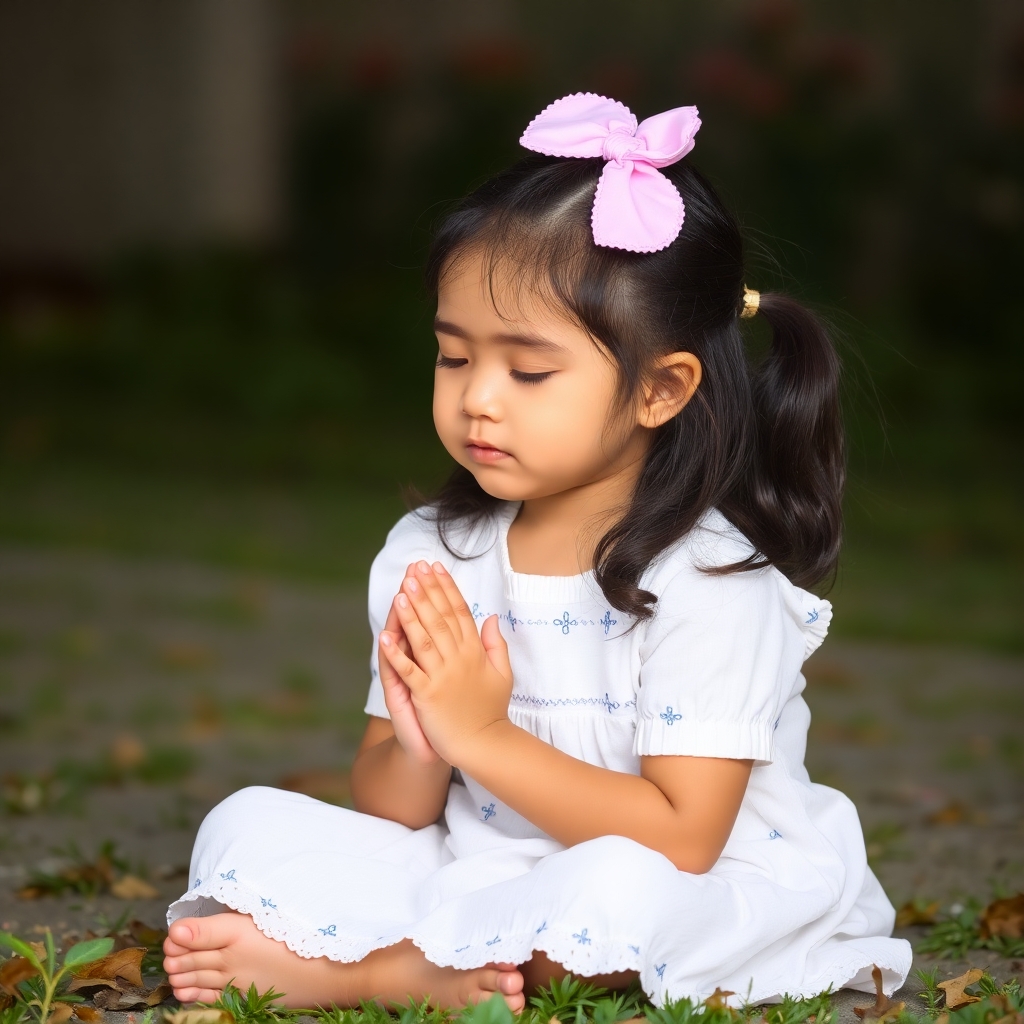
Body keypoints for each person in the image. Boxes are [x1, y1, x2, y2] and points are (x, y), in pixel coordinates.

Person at [162, 93, 911, 1012]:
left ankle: (381, 976)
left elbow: (682, 843)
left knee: (618, 899)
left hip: (683, 881)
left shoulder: (712, 581)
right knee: (247, 823)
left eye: (528, 371)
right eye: (452, 358)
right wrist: (426, 736)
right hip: (485, 864)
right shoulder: (433, 553)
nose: (479, 399)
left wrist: (484, 735)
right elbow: (392, 808)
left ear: (660, 390)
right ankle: (446, 959)